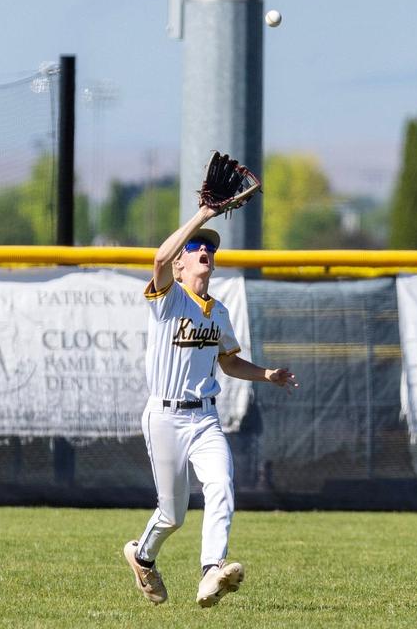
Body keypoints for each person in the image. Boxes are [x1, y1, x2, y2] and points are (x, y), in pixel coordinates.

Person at [123, 205, 298, 608]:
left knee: (220, 484)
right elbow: (158, 260)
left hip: (204, 417)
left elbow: (229, 362)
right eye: (195, 248)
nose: (204, 251)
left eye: (210, 249)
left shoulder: (218, 311)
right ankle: (142, 557)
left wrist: (267, 374)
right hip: (165, 416)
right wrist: (202, 217)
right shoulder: (169, 299)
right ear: (180, 265)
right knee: (173, 515)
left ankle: (210, 571)